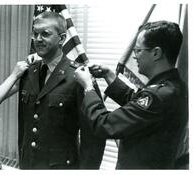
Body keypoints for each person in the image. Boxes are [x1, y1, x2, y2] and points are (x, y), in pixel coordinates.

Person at [74, 21, 188, 169]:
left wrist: (88, 88)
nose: (135, 57)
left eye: (138, 50)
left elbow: (105, 124)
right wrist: (109, 75)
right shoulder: (173, 86)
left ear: (156, 53)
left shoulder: (158, 96)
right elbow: (137, 106)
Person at [17, 12, 106, 169]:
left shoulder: (79, 76)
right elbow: (24, 125)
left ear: (62, 38)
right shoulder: (28, 72)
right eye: (35, 34)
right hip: (29, 164)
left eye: (45, 34)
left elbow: (93, 135)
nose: (37, 39)